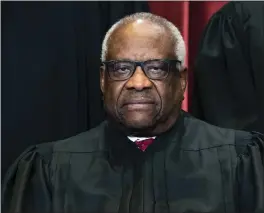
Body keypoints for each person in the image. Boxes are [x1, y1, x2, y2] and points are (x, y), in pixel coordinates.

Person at [2, 12, 264, 213]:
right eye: (121, 68)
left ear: (181, 80)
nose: (138, 82)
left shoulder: (239, 162)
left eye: (156, 68)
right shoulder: (51, 170)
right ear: (103, 80)